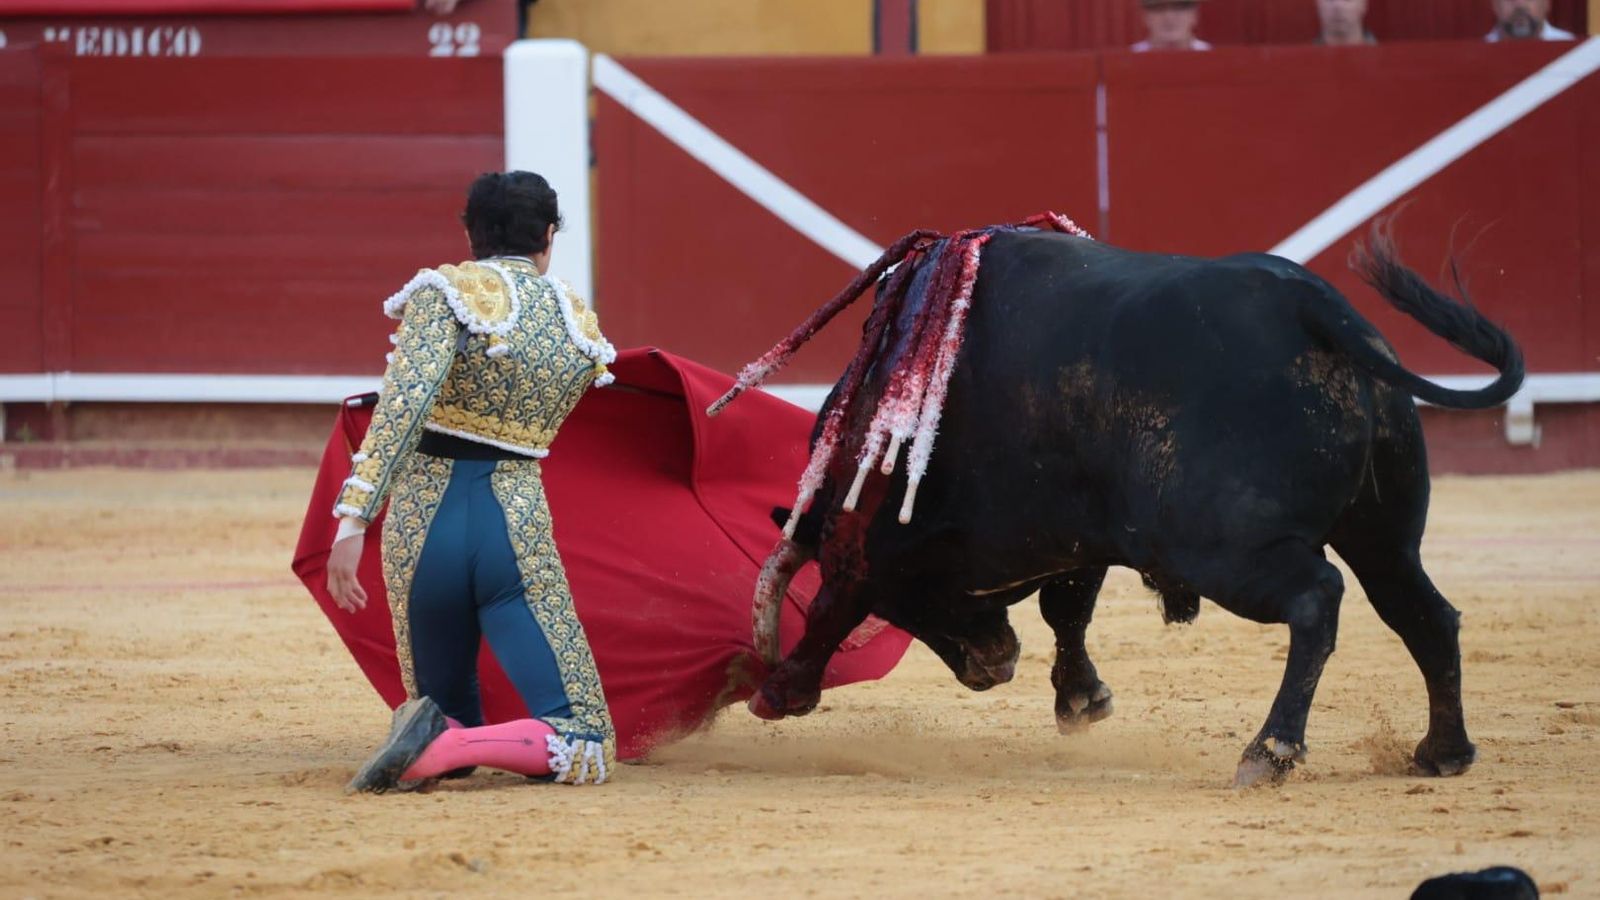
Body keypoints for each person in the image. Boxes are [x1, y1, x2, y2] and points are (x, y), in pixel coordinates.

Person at [327, 171, 618, 792]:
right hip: (513, 525)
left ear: (468, 233)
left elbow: (404, 402)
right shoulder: (574, 318)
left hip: (420, 528)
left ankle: (443, 741)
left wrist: (354, 519)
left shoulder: (444, 292)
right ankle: (449, 744)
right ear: (548, 236)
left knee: (440, 707)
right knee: (584, 738)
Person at [1131, 0, 1213, 53]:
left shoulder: (1212, 58)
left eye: (1179, 8)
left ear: (1194, 15)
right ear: (1145, 17)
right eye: (1159, 9)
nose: (1169, 17)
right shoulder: (1129, 60)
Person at [1484, 0, 1576, 41]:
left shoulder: (1574, 51)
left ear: (1547, 3)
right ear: (1495, 5)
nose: (1520, 5)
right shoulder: (1479, 53)